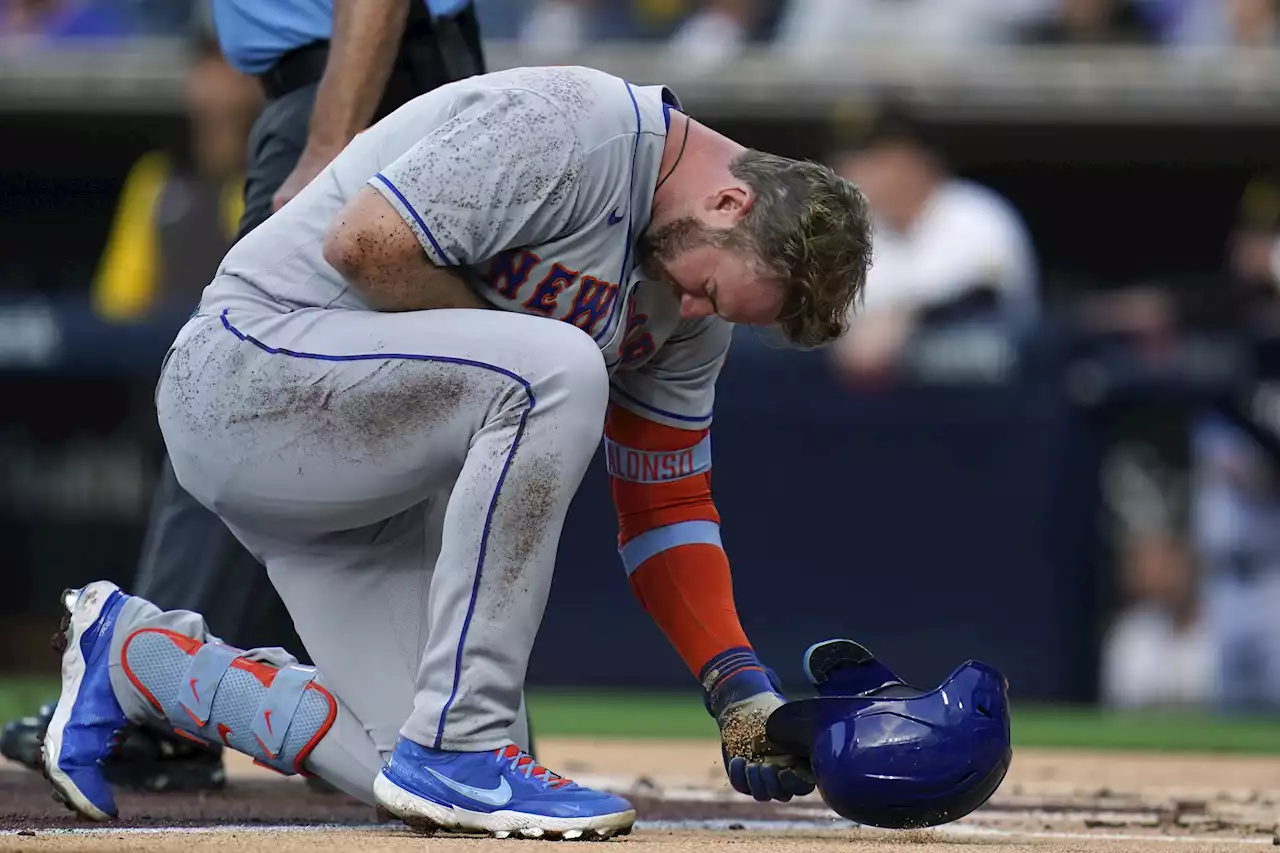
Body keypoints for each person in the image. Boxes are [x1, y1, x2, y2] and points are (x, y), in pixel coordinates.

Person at [40, 64, 872, 839]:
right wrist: (530, 343)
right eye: (712, 291)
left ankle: (138, 656)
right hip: (246, 376)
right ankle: (459, 741)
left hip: (378, 479)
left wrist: (740, 692)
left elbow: (666, 504)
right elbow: (367, 246)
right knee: (559, 366)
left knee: (406, 777)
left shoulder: (692, 310)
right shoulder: (576, 124)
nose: (696, 310)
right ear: (729, 204)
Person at [0, 0, 487, 794]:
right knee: (414, 404)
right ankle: (427, 714)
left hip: (349, 92)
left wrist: (329, 142)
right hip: (390, 87)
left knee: (235, 386)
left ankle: (154, 692)